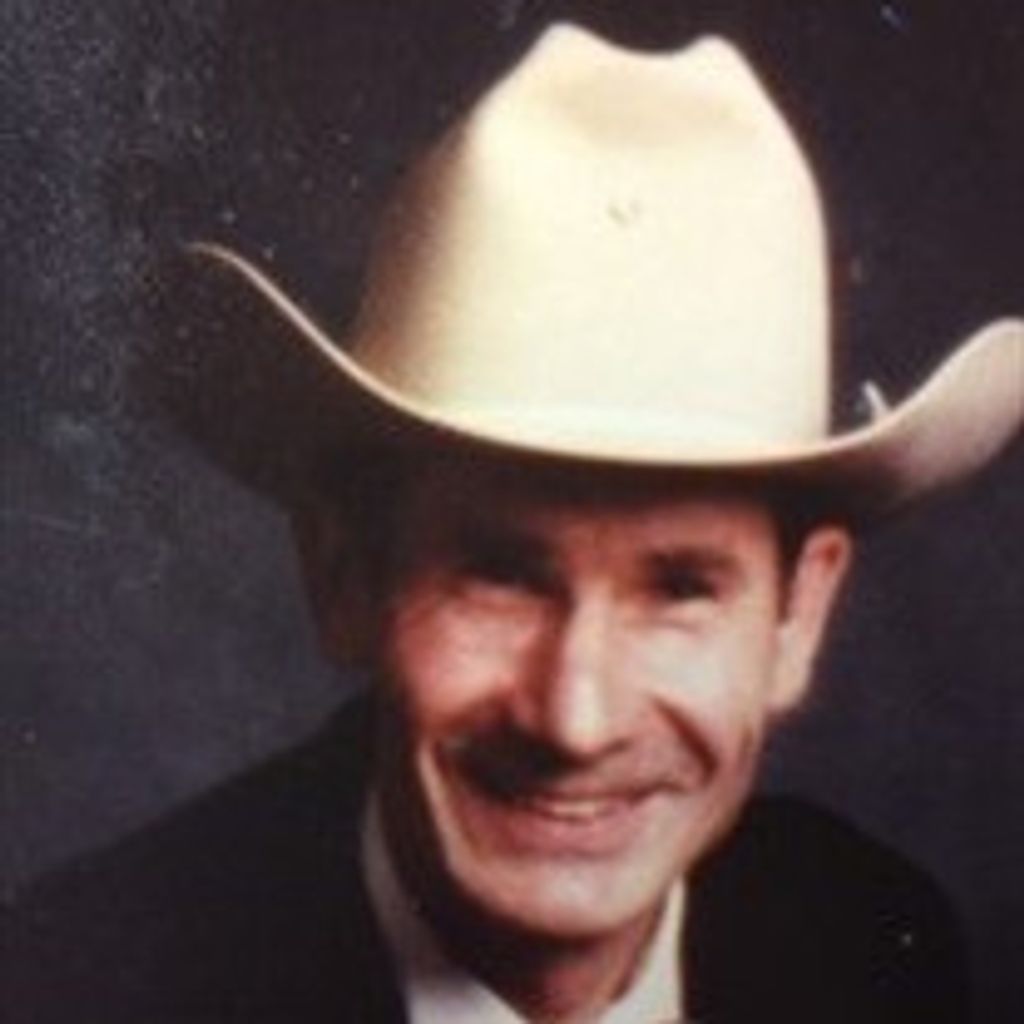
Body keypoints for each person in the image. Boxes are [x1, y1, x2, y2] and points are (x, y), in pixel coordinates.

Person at [4, 23, 1021, 1024]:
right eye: (498, 576)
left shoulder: (870, 947)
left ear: (798, 620)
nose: (576, 720)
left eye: (680, 589)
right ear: (346, 574)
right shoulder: (79, 988)